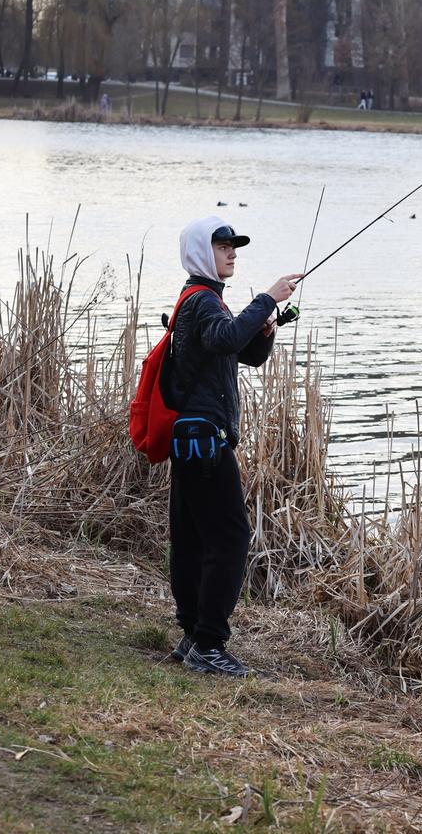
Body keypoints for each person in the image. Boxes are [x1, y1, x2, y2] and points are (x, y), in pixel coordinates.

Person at [161, 217, 303, 678]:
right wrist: (267, 299)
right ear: (203, 252)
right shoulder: (203, 301)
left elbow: (241, 352)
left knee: (193, 538)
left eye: (234, 247)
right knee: (230, 537)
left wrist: (264, 327)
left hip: (192, 436)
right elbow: (224, 336)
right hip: (204, 438)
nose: (232, 253)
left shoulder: (204, 300)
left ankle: (191, 636)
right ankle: (208, 643)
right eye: (223, 246)